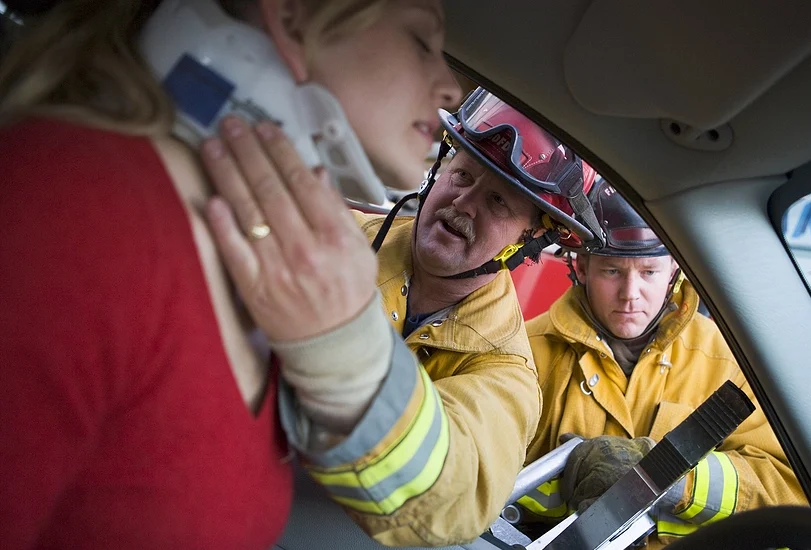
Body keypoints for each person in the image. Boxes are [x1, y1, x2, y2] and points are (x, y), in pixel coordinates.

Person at [0, 0, 462, 548]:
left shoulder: (281, 271)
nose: (451, 87)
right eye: (420, 41)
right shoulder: (69, 212)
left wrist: (346, 347)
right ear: (291, 16)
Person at [200, 87, 606, 545]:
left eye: (498, 202)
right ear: (438, 171)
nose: (464, 202)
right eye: (462, 174)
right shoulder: (326, 234)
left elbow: (451, 490)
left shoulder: (506, 374)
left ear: (528, 242)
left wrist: (335, 341)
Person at [520, 180, 807, 548]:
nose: (630, 293)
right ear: (582, 266)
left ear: (674, 270)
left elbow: (787, 487)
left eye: (649, 272)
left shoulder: (728, 361)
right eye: (612, 270)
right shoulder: (529, 352)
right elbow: (489, 482)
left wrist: (674, 482)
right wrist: (574, 476)